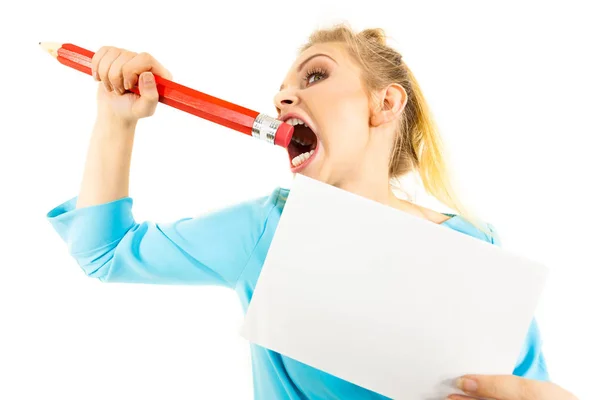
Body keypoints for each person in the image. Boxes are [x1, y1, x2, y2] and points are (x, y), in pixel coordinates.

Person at [46, 24, 577, 400]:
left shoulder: (475, 246)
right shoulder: (266, 230)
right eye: (282, 91)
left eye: (315, 77)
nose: (282, 99)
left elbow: (527, 385)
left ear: (385, 104)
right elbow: (104, 252)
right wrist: (116, 121)